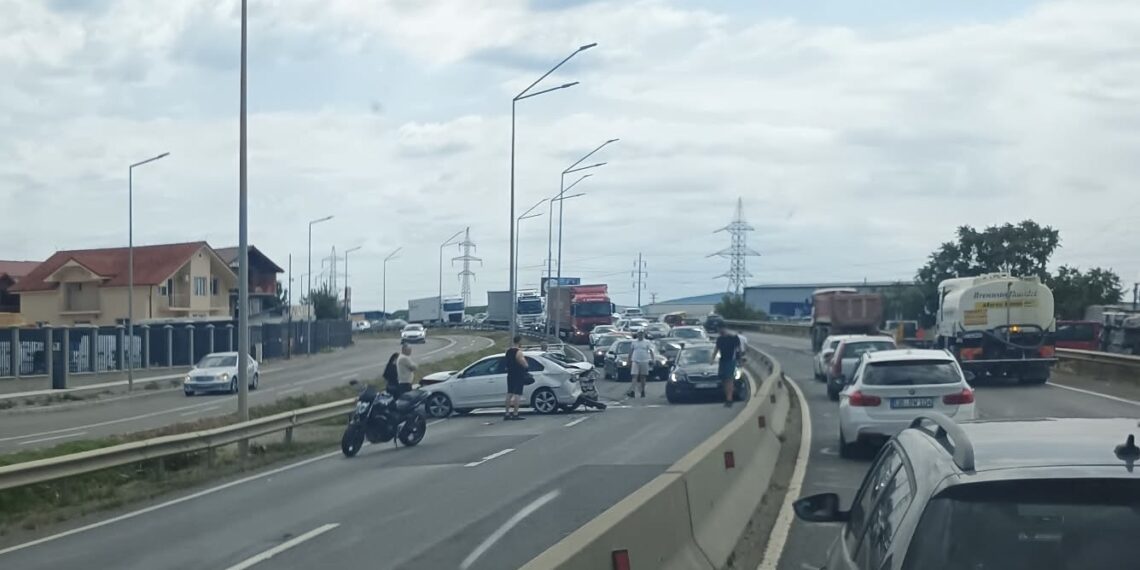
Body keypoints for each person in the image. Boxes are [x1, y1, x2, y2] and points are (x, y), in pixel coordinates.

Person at [712, 327, 742, 407]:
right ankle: (728, 397)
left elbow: (738, 349)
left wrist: (740, 360)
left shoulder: (734, 338)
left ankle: (729, 399)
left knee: (729, 379)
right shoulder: (720, 339)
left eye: (721, 330)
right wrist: (712, 359)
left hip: (730, 361)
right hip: (722, 361)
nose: (720, 332)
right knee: (724, 380)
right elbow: (716, 349)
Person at [504, 335, 528, 421]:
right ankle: (515, 413)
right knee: (517, 394)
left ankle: (507, 413)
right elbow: (524, 364)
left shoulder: (508, 351)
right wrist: (526, 365)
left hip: (510, 374)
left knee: (509, 393)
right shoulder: (518, 352)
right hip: (518, 374)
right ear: (519, 342)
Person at [627, 331, 655, 398]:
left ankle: (643, 391)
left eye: (642, 334)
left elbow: (651, 351)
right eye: (639, 334)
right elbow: (631, 351)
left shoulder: (647, 342)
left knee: (643, 377)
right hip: (635, 360)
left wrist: (652, 359)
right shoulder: (634, 342)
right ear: (637, 335)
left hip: (644, 361)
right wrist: (629, 360)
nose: (640, 335)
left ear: (644, 335)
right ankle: (632, 391)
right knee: (634, 376)